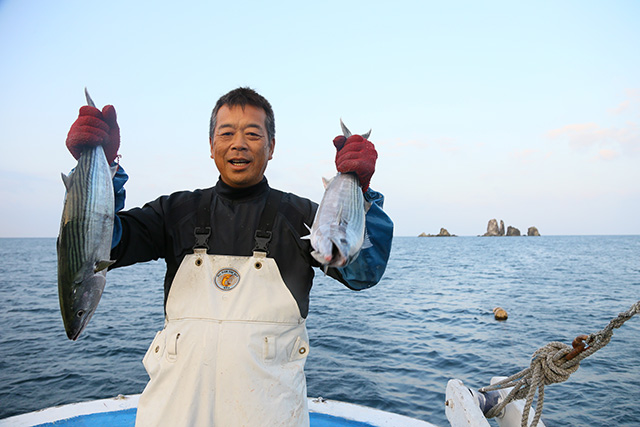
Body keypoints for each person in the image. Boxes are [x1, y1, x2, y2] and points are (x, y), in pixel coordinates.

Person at [65, 87, 394, 426]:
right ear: (211, 146)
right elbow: (103, 246)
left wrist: (361, 196)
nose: (239, 143)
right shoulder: (173, 212)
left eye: (253, 134)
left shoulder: (303, 218)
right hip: (172, 414)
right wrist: (97, 168)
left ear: (271, 148)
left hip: (271, 415)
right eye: (227, 133)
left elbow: (363, 272)